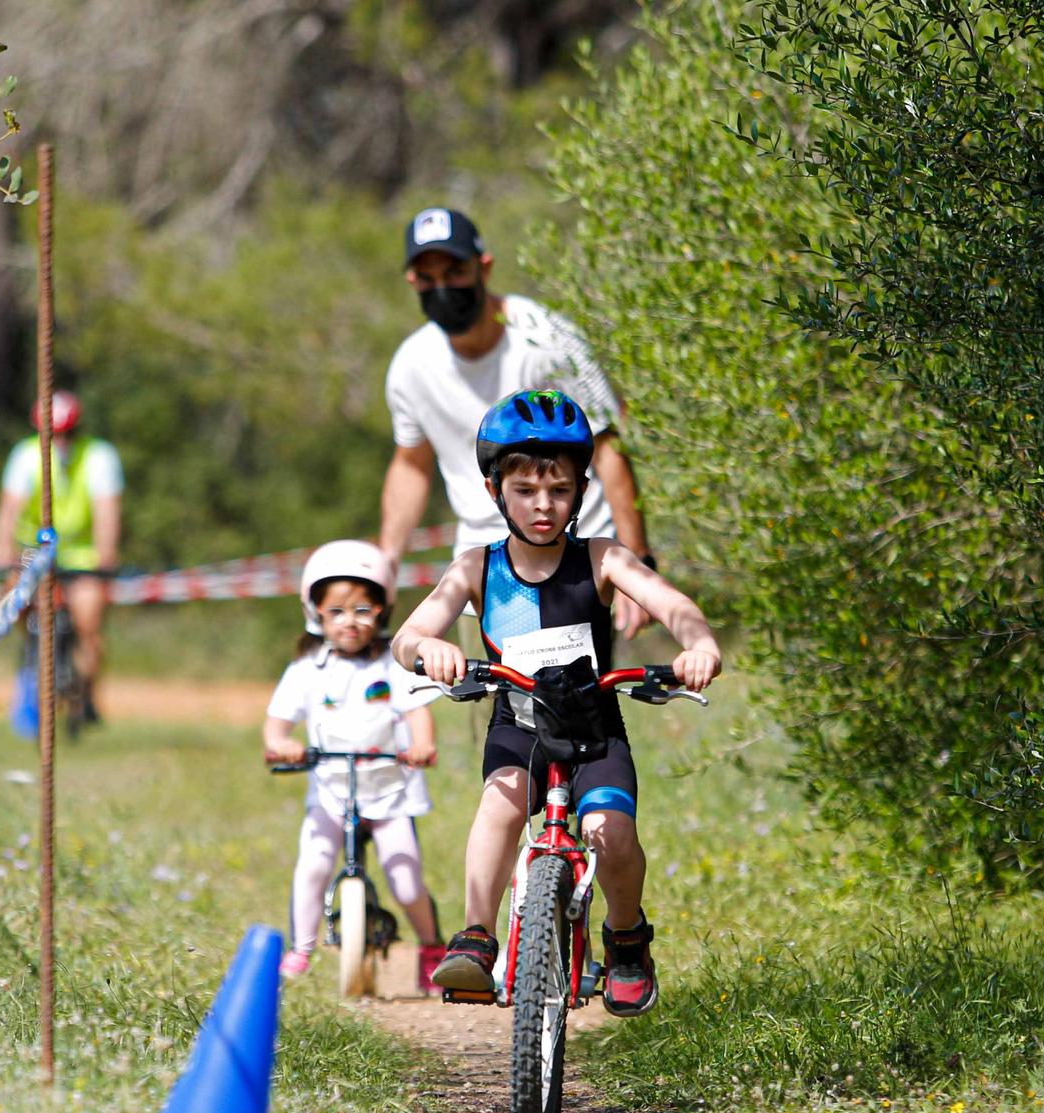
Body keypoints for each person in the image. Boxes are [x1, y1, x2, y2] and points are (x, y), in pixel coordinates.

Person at [391, 390, 722, 1016]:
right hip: (517, 722)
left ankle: (626, 940)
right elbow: (410, 633)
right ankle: (476, 938)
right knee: (500, 806)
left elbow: (672, 603)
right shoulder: (476, 569)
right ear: (495, 491)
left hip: (595, 727)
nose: (543, 506)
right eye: (524, 490)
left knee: (610, 832)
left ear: (580, 492)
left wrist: (697, 644)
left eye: (560, 491)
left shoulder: (601, 558)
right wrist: (427, 650)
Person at [380, 206, 657, 637]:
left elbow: (607, 446)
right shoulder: (411, 367)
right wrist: (387, 562)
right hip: (483, 569)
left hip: (577, 559)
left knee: (582, 701)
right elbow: (411, 465)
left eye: (454, 271)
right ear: (411, 281)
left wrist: (636, 557)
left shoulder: (544, 338)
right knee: (494, 702)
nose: (442, 287)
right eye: (427, 277)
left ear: (483, 267)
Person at [265, 540, 445, 982]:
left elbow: (416, 712)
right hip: (330, 790)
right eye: (337, 612)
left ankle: (431, 947)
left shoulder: (392, 664)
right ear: (316, 614)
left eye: (363, 609)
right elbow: (277, 721)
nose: (351, 622)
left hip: (389, 790)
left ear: (382, 610)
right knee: (314, 863)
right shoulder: (308, 668)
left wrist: (421, 745)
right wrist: (280, 742)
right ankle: (302, 948)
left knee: (405, 876)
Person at [0, 389, 122, 721]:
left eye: (67, 434)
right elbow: (8, 512)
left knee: (89, 618)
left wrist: (106, 559)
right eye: (54, 435)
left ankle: (88, 691)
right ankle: (29, 650)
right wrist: (1, 552)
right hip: (33, 551)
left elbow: (108, 516)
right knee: (13, 597)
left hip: (82, 555)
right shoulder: (24, 455)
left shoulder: (100, 457)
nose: (61, 441)